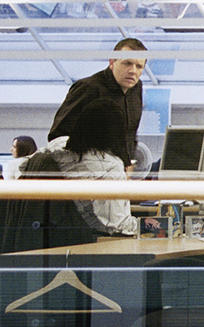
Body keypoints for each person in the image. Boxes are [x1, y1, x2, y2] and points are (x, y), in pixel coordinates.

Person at [48, 37, 147, 167]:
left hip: (119, 171)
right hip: (88, 171)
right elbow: (58, 136)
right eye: (127, 63)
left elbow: (130, 135)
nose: (133, 71)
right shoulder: (89, 88)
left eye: (139, 66)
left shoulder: (136, 88)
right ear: (112, 63)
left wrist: (128, 164)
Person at [49, 101, 139, 236]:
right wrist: (157, 225)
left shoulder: (56, 146)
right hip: (92, 238)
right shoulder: (109, 166)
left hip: (55, 234)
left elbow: (24, 165)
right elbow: (119, 226)